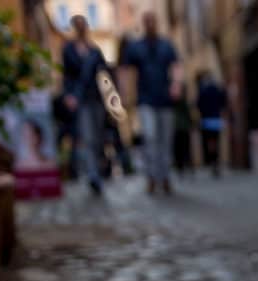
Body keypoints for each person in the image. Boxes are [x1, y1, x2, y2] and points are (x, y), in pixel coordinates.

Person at [122, 12, 180, 195]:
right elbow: (126, 71)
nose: (150, 24)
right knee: (150, 137)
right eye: (147, 22)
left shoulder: (166, 45)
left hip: (165, 101)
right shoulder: (136, 47)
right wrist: (125, 95)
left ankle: (165, 176)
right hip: (145, 100)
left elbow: (176, 66)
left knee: (165, 140)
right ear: (143, 24)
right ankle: (152, 177)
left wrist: (176, 85)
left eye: (153, 21)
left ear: (157, 23)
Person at [62, 15, 110, 196]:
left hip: (96, 98)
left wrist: (111, 99)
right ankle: (93, 176)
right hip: (80, 99)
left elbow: (105, 76)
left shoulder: (95, 51)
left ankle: (97, 169)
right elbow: (66, 75)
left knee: (97, 137)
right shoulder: (68, 50)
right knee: (88, 137)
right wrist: (69, 95)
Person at [196, 72, 228, 177]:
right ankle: (216, 162)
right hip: (216, 118)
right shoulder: (216, 89)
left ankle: (213, 162)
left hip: (207, 119)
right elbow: (223, 101)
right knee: (216, 140)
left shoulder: (203, 90)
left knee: (210, 142)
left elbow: (198, 104)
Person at [172, 83, 194, 176]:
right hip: (181, 128)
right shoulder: (182, 102)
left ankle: (183, 167)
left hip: (179, 128)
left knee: (181, 149)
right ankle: (184, 166)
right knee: (183, 149)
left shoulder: (179, 102)